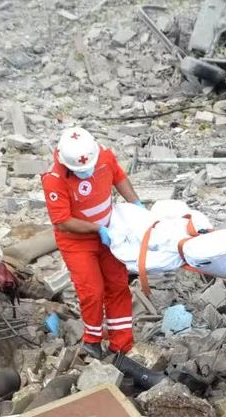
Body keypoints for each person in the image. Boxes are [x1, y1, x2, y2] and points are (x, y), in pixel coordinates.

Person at [41, 127, 143, 358]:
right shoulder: (54, 179)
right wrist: (97, 229)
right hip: (77, 242)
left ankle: (122, 344)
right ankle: (92, 340)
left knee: (118, 285)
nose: (86, 173)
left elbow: (119, 177)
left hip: (109, 232)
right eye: (80, 171)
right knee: (92, 291)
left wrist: (137, 204)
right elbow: (62, 221)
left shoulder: (103, 155)